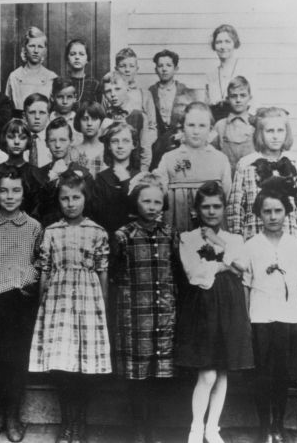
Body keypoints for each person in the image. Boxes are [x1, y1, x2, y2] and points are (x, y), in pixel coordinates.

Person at [29, 170, 110, 443]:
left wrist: (103, 307)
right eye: (65, 198)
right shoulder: (51, 232)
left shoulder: (97, 231)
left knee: (82, 369)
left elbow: (102, 272)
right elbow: (45, 270)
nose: (71, 203)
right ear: (59, 201)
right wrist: (43, 303)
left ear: (85, 199)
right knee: (62, 367)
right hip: (59, 303)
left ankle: (80, 424)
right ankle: (66, 424)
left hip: (88, 303)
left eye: (76, 197)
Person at [176, 181, 254, 443]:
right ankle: (196, 427)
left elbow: (243, 267)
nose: (211, 212)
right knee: (207, 372)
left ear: (223, 209)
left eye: (217, 206)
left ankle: (213, 428)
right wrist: (223, 265)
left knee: (222, 371)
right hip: (203, 307)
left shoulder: (234, 238)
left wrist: (217, 244)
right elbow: (196, 275)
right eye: (206, 207)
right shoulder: (188, 239)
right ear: (197, 209)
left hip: (230, 305)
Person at [0, 169, 42, 442]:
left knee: (16, 360)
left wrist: (31, 275)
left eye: (16, 190)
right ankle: (0, 413)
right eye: (4, 190)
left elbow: (41, 260)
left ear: (24, 194)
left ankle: (14, 415)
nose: (10, 196)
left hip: (20, 301)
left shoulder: (34, 226)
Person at [111, 173, 179, 443]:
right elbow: (115, 277)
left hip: (163, 313)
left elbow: (175, 272)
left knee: (159, 373)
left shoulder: (171, 234)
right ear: (135, 202)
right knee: (136, 375)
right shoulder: (122, 236)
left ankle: (154, 427)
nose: (151, 207)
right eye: (146, 201)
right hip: (134, 315)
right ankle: (138, 428)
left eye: (157, 202)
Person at [243, 185, 297, 443]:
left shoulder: (295, 246)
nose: (272, 216)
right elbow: (246, 286)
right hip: (260, 317)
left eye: (278, 211)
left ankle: (279, 425)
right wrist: (247, 320)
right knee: (262, 375)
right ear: (259, 214)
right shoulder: (251, 246)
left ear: (287, 213)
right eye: (267, 211)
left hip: (288, 317)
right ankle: (263, 426)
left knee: (282, 375)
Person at [226, 107, 297, 250]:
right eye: (270, 131)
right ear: (260, 133)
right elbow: (235, 210)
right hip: (254, 240)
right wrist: (237, 244)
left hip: (289, 240)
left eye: (280, 131)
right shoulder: (246, 164)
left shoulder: (294, 163)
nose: (275, 136)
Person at [155, 101, 231, 232]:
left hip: (211, 224)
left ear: (210, 128)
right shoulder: (169, 158)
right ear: (182, 127)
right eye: (191, 125)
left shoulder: (220, 159)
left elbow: (226, 194)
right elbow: (159, 194)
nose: (196, 131)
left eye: (202, 126)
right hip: (177, 222)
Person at [37, 117, 93, 227]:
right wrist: (52, 177)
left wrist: (67, 172)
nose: (57, 145)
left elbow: (91, 210)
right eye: (53, 140)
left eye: (63, 140)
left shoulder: (84, 174)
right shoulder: (38, 174)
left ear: (71, 141)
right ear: (46, 143)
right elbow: (38, 210)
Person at [0, 119, 44, 216]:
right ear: (4, 139)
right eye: (11, 137)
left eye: (22, 138)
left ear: (28, 140)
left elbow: (37, 209)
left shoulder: (35, 173)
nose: (16, 142)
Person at [92, 122, 141, 236]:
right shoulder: (101, 178)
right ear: (108, 145)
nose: (120, 146)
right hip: (108, 236)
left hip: (135, 238)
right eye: (115, 141)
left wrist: (125, 181)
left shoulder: (140, 177)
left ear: (133, 144)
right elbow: (97, 214)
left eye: (125, 141)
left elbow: (138, 210)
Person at [206, 24, 257, 121]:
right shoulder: (211, 75)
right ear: (214, 45)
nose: (223, 46)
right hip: (217, 124)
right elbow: (208, 105)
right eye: (219, 42)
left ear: (234, 44)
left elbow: (254, 103)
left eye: (227, 42)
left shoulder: (246, 69)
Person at [102, 70, 151, 171]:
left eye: (117, 89)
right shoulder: (105, 116)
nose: (112, 94)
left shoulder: (139, 116)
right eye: (108, 91)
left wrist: (141, 175)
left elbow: (145, 152)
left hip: (133, 172)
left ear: (127, 88)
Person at [5, 26, 58, 115]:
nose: (36, 51)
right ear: (25, 48)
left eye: (40, 47)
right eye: (32, 46)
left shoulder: (51, 77)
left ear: (45, 50)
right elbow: (7, 106)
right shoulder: (15, 76)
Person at [114, 47, 157, 153]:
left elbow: (152, 127)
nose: (127, 70)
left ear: (137, 69)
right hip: (116, 146)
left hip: (139, 147)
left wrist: (143, 143)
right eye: (123, 66)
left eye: (131, 66)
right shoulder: (111, 93)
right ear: (116, 69)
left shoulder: (145, 94)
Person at [211, 76, 255, 176]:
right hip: (225, 179)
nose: (238, 100)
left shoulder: (255, 125)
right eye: (233, 96)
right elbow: (210, 155)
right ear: (228, 99)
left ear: (250, 98)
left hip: (250, 180)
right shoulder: (220, 126)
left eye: (243, 95)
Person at [149, 89, 198, 171]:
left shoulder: (199, 136)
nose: (183, 109)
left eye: (187, 106)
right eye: (179, 105)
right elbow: (155, 167)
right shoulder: (164, 139)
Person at [148, 49, 190, 137]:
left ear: (175, 69)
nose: (164, 69)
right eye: (160, 66)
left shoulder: (184, 92)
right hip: (157, 139)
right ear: (156, 70)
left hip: (179, 137)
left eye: (168, 65)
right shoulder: (150, 92)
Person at [70, 100, 110, 177]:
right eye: (85, 119)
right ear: (79, 121)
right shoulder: (73, 151)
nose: (89, 124)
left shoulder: (107, 149)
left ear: (101, 121)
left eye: (94, 119)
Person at [64, 38, 101, 104]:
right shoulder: (62, 82)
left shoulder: (95, 84)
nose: (77, 57)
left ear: (87, 59)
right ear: (67, 59)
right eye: (73, 54)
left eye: (81, 54)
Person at [49, 77, 82, 144]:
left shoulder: (79, 120)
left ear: (75, 98)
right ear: (52, 98)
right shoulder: (47, 120)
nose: (65, 102)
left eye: (69, 97)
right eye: (60, 97)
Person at [23, 93, 53, 167]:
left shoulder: (53, 141)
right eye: (32, 112)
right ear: (24, 116)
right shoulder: (18, 139)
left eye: (42, 113)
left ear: (48, 116)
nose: (37, 117)